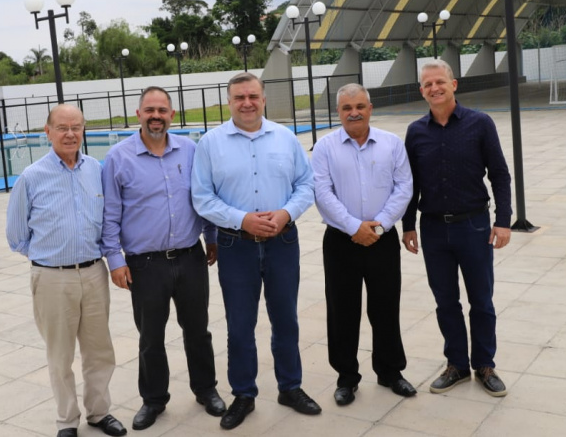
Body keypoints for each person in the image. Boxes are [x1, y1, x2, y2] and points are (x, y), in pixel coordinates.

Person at [191, 72, 320, 430]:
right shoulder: (210, 144)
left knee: (286, 319)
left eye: (252, 96)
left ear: (263, 99)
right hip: (236, 246)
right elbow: (202, 197)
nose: (246, 103)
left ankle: (290, 387)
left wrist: (286, 213)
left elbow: (306, 185)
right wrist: (242, 219)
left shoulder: (285, 138)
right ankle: (244, 394)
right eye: (239, 98)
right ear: (229, 102)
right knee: (240, 325)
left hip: (283, 243)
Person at [101, 87, 226, 431]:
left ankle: (206, 389)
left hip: (190, 257)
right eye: (149, 110)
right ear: (138, 114)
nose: (156, 116)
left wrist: (211, 237)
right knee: (151, 337)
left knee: (198, 330)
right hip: (145, 265)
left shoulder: (190, 150)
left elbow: (204, 198)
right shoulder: (118, 158)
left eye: (162, 110)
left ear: (172, 114)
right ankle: (154, 399)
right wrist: (115, 260)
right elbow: (110, 214)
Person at [6, 104, 127, 437]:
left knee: (99, 350)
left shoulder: (96, 170)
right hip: (51, 278)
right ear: (48, 132)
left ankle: (99, 413)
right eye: (62, 128)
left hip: (94, 273)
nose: (70, 134)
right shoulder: (31, 177)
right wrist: (49, 257)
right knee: (60, 356)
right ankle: (67, 420)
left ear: (84, 129)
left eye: (76, 127)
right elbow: (16, 236)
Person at [401, 60, 512, 398]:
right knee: (446, 302)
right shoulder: (415, 132)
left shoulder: (480, 123)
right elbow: (410, 184)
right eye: (428, 84)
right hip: (434, 229)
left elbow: (499, 174)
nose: (434, 88)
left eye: (440, 82)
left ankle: (485, 365)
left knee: (482, 300)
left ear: (453, 84)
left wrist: (503, 220)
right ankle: (457, 365)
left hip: (474, 226)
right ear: (421, 91)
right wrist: (408, 226)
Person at [312, 83, 416, 407]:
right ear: (338, 112)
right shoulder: (325, 147)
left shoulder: (391, 143)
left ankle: (390, 371)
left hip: (382, 239)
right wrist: (353, 227)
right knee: (342, 310)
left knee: (386, 307)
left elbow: (404, 187)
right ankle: (346, 377)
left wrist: (379, 225)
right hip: (341, 241)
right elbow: (322, 192)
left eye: (359, 106)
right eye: (347, 108)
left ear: (370, 109)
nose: (354, 112)